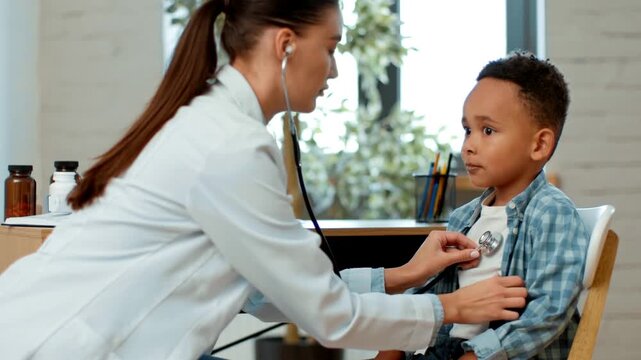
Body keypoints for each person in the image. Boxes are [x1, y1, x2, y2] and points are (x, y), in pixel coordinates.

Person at [0, 1, 527, 359]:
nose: (336, 70)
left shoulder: (215, 124)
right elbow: (327, 316)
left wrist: (403, 276)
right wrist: (448, 308)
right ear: (286, 45)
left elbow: (262, 293)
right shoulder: (230, 146)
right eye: (331, 46)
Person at [376, 53, 590, 360]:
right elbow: (433, 294)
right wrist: (392, 343)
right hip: (447, 349)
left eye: (487, 130)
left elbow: (548, 312)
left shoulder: (551, 213)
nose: (468, 146)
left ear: (539, 145)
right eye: (467, 130)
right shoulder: (463, 218)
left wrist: (478, 356)